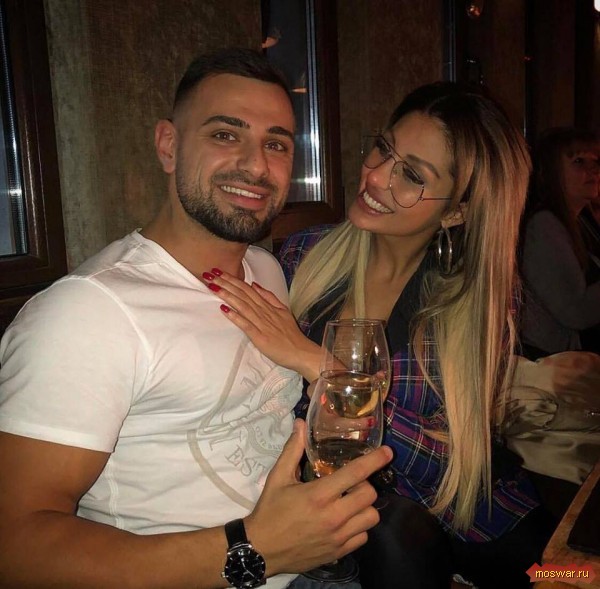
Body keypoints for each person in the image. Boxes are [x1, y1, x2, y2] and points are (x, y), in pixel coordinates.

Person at [0, 48, 392, 589]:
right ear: (169, 145)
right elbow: (15, 549)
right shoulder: (88, 313)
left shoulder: (264, 270)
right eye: (225, 135)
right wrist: (254, 550)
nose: (257, 166)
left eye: (276, 144)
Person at [203, 81, 556, 589]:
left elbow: (454, 470)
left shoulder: (471, 301)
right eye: (384, 149)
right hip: (358, 530)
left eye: (411, 175)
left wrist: (322, 369)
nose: (375, 175)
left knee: (576, 574)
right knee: (388, 531)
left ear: (455, 211)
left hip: (476, 524)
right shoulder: (302, 256)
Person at [520, 127, 600, 358]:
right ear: (551, 172)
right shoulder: (544, 225)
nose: (593, 170)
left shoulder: (581, 220)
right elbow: (576, 311)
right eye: (579, 161)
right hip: (555, 361)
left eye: (596, 162)